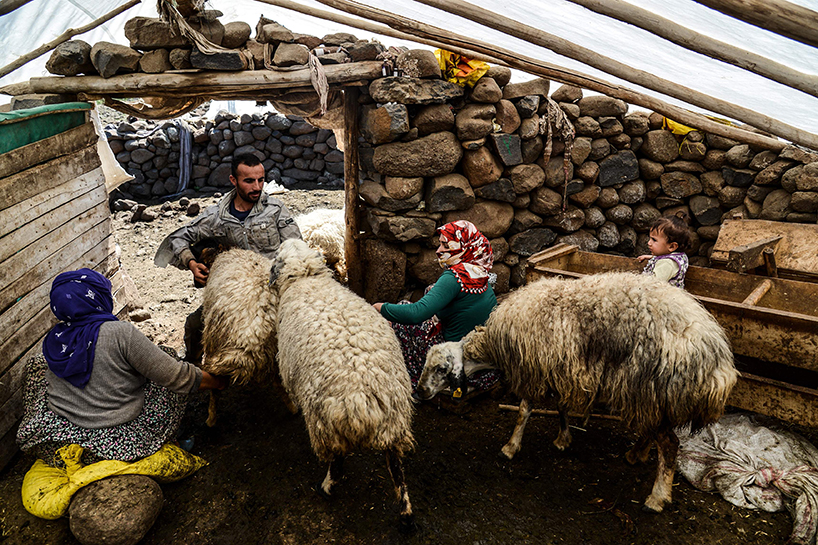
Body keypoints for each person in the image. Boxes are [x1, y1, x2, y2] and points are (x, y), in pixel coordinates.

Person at [16, 269, 227, 467]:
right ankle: (169, 439)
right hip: (115, 445)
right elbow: (177, 377)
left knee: (37, 366)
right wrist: (218, 382)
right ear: (97, 298)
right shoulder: (119, 333)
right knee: (169, 364)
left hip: (60, 438)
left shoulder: (55, 339)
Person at [154, 153, 302, 361]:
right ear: (233, 180)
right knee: (195, 325)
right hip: (236, 292)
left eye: (261, 180)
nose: (257, 187)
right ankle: (193, 370)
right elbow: (177, 238)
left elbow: (296, 247)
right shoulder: (216, 217)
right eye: (249, 181)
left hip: (275, 287)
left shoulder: (276, 210)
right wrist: (192, 263)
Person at [374, 220, 500, 394]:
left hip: (454, 360)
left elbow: (416, 314)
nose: (439, 250)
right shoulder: (479, 270)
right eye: (440, 244)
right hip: (479, 359)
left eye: (446, 245)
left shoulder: (454, 277)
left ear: (464, 246)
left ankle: (409, 378)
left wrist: (380, 308)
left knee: (401, 315)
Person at [637, 214, 691, 288]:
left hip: (660, 294)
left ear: (672, 246)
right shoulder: (680, 256)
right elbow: (666, 258)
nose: (649, 243)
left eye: (654, 240)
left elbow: (653, 284)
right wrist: (651, 257)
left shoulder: (667, 264)